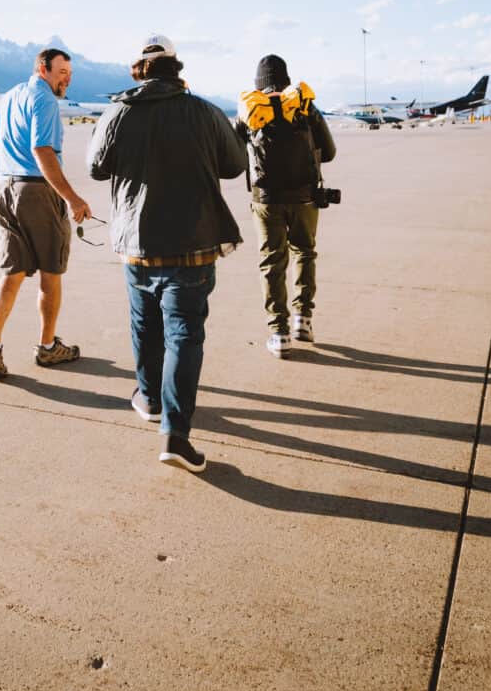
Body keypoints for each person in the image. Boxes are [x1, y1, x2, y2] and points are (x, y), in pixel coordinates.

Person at [86, 35, 247, 473]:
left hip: (137, 245)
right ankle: (175, 435)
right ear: (177, 69)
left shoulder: (118, 112)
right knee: (184, 337)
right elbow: (234, 165)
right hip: (193, 246)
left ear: (138, 70)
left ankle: (150, 397)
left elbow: (95, 167)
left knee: (145, 325)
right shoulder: (204, 111)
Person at [0, 47, 92, 381]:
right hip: (36, 191)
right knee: (50, 272)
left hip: (4, 187)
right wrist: (72, 198)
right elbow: (42, 149)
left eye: (69, 71)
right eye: (61, 71)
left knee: (12, 272)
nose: (67, 77)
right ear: (43, 69)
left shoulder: (12, 95)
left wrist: (16, 157)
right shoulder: (44, 100)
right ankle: (47, 346)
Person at [234, 54, 336, 359]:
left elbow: (231, 156)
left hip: (266, 200)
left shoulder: (252, 110)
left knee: (271, 261)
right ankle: (303, 320)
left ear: (259, 83)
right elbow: (329, 152)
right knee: (304, 252)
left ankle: (279, 333)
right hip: (305, 197)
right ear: (286, 79)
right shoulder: (303, 106)